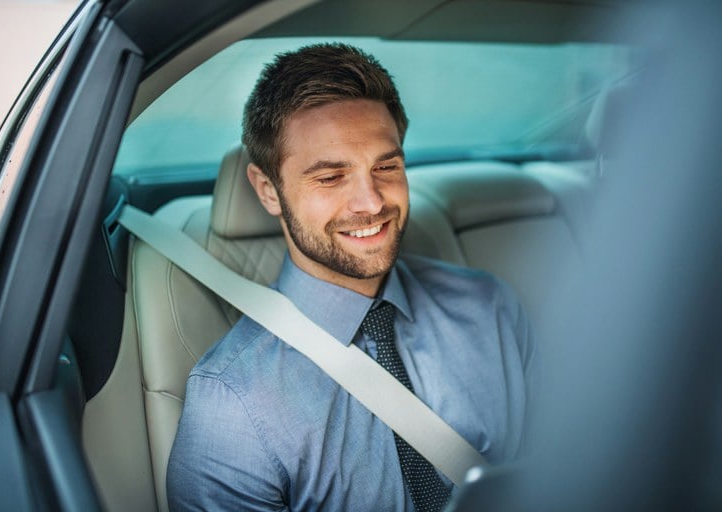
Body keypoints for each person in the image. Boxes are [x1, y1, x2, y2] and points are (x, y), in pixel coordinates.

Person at [166, 43, 536, 512]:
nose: (371, 202)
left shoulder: (490, 309)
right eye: (330, 177)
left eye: (386, 167)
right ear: (268, 190)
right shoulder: (235, 404)